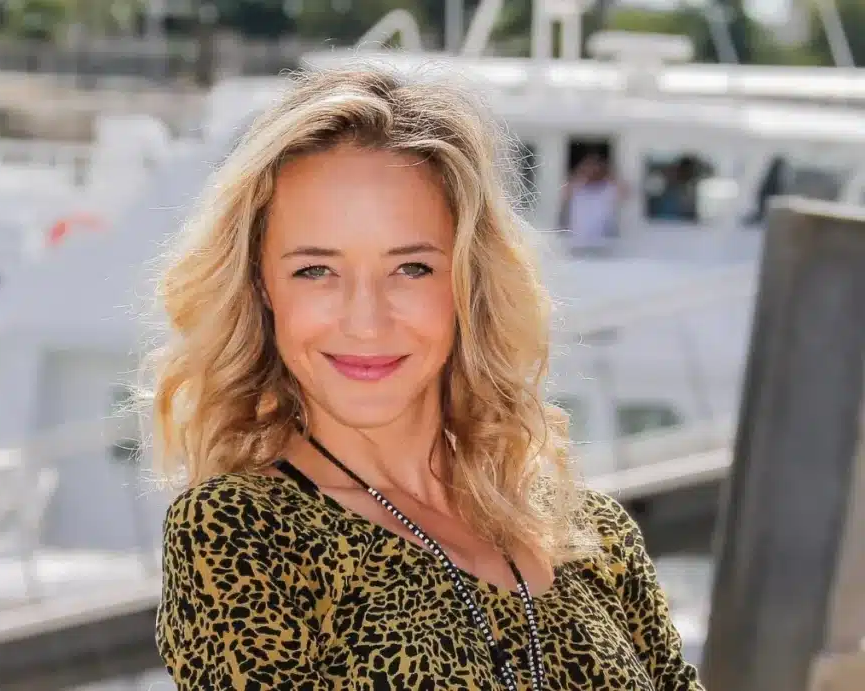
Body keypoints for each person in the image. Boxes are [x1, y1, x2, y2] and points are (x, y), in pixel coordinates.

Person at [152, 65, 704, 690]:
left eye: (411, 268)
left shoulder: (593, 536)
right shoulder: (241, 532)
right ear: (262, 288)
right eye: (315, 271)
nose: (366, 321)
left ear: (468, 283)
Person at [561, 152, 625, 256]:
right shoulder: (577, 188)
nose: (592, 171)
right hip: (577, 244)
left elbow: (625, 192)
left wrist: (608, 173)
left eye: (595, 168)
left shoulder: (608, 189)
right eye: (589, 168)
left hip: (604, 244)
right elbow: (563, 193)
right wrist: (581, 172)